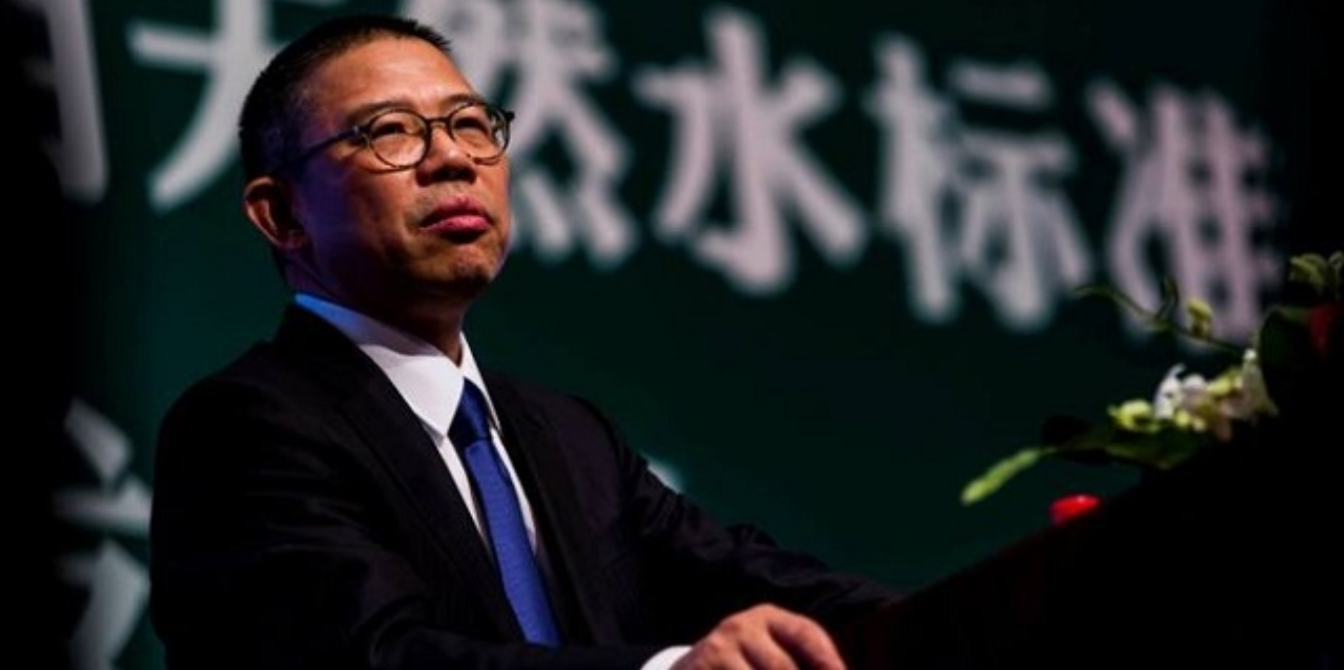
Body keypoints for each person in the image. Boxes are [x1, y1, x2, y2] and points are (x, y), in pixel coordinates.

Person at [148, 12, 901, 670]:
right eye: (390, 131)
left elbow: (740, 575)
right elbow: (377, 654)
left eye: (471, 124)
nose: (453, 158)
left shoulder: (568, 435)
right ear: (282, 215)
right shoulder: (246, 427)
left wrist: (958, 621)